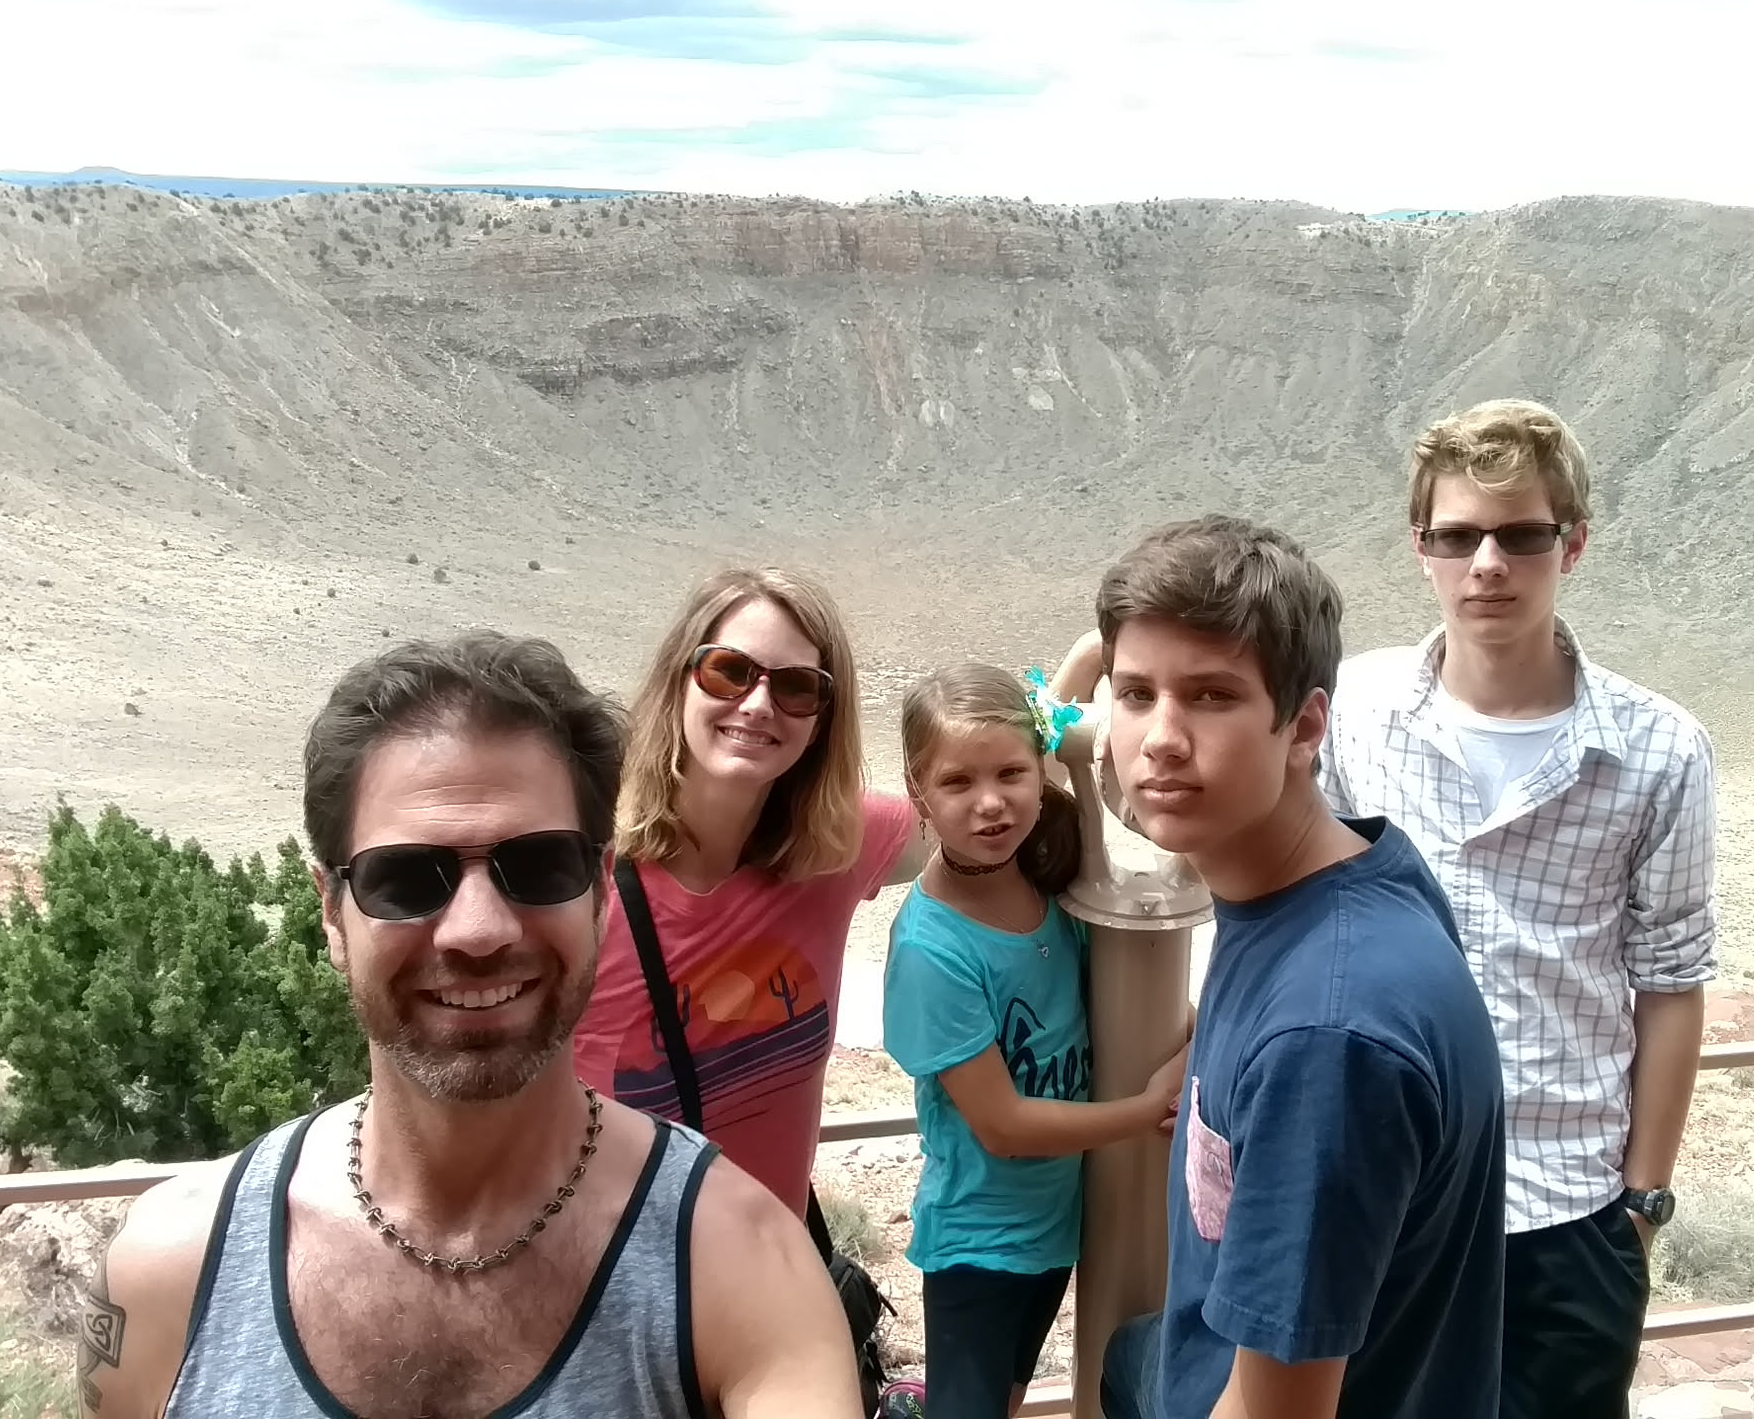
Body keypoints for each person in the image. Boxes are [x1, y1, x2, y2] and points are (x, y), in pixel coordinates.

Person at [77, 631, 863, 1419]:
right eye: (405, 877)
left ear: (599, 891)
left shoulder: (744, 1269)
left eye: (540, 865)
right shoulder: (170, 1275)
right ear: (331, 913)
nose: (479, 930)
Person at [1315, 400, 1719, 1418]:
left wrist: (1641, 1206)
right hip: (1384, 1199)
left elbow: (1671, 981)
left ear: (1571, 544)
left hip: (1566, 1212)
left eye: (1521, 535)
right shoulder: (1353, 711)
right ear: (1420, 547)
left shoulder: (1660, 750)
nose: (1487, 564)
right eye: (1457, 537)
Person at [1089, 515, 1508, 1419]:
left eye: (1211, 696)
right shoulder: (1352, 869)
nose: (1161, 738)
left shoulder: (1326, 1036)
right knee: (1128, 1359)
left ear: (1305, 725)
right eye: (1135, 694)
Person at [877, 662, 1186, 1419]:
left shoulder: (1046, 885)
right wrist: (1146, 1109)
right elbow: (1004, 1125)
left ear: (1039, 772)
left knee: (1008, 1398)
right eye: (957, 782)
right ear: (917, 791)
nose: (991, 803)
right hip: (980, 1241)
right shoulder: (931, 949)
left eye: (1011, 773)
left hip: (1056, 1227)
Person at [569, 566, 924, 1221]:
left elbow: (983, 802)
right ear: (679, 681)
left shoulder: (834, 847)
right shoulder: (578, 885)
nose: (759, 704)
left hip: (772, 1264)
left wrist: (1071, 691)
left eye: (796, 687)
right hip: (614, 1269)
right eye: (729, 671)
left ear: (821, 722)